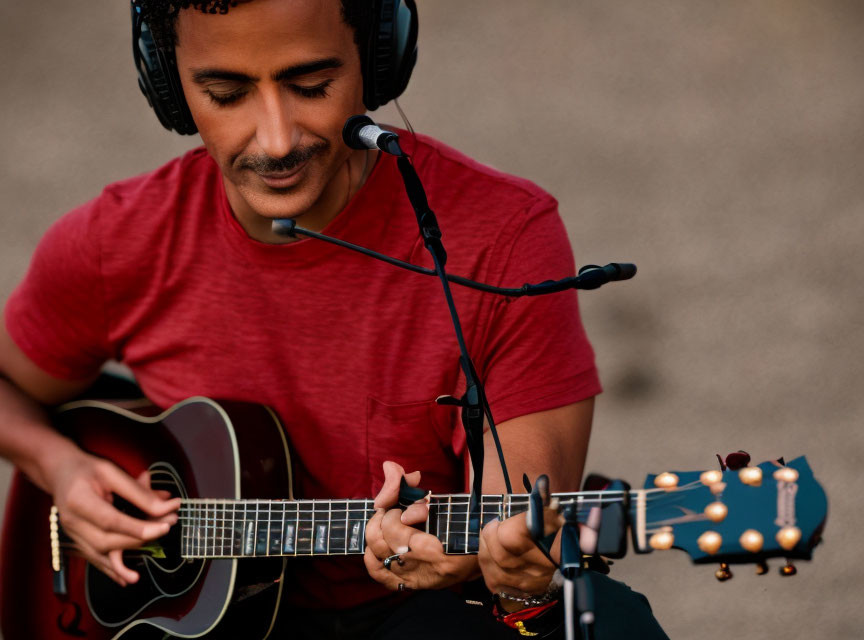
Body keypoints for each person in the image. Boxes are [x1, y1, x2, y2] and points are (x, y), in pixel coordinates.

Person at [0, 1, 667, 638]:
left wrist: (511, 578)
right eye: (226, 93)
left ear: (377, 56)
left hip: (425, 614)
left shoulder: (505, 240)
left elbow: (515, 530)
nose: (277, 139)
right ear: (168, 85)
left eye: (311, 83)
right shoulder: (115, 243)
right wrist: (58, 466)